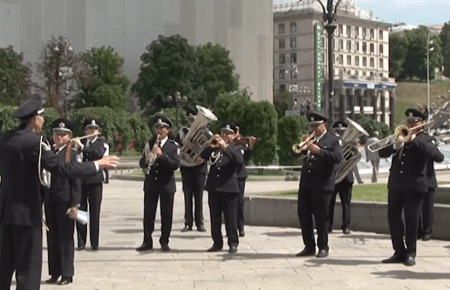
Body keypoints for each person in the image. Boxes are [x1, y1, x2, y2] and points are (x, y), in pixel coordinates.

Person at [0, 94, 117, 290]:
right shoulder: (35, 143)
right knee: (28, 270)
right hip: (27, 214)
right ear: (35, 118)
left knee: (4, 266)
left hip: (5, 213)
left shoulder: (4, 139)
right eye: (42, 116)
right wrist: (96, 165)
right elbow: (63, 169)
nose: (43, 120)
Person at [379, 108, 439, 266]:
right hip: (396, 184)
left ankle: (411, 252)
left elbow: (438, 156)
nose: (411, 124)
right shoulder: (399, 136)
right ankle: (398, 250)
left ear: (422, 124)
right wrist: (395, 144)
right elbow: (382, 153)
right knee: (393, 218)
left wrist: (414, 140)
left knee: (412, 220)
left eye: (414, 122)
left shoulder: (426, 139)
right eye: (409, 121)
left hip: (415, 186)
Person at [295, 112, 342, 258]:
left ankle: (323, 246)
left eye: (316, 125)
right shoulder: (309, 139)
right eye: (311, 126)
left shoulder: (333, 140)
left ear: (324, 125)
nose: (313, 129)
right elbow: (295, 155)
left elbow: (337, 158)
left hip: (322, 185)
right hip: (306, 184)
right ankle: (309, 246)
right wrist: (303, 147)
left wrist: (319, 151)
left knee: (321, 218)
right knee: (304, 216)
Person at [44, 118, 81, 286]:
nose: (59, 137)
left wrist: (75, 204)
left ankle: (67, 273)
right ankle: (55, 271)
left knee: (66, 238)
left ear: (69, 136)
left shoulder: (71, 154)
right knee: (52, 237)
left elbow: (76, 182)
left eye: (63, 135)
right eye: (56, 134)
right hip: (50, 199)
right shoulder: (48, 153)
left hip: (65, 200)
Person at [136, 115, 181, 252]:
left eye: (162, 128)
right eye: (157, 128)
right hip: (151, 184)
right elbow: (142, 163)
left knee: (166, 215)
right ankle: (147, 240)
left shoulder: (173, 146)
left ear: (168, 130)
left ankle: (164, 241)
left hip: (166, 184)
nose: (159, 131)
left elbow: (175, 164)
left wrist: (162, 156)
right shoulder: (149, 143)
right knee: (148, 214)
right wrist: (146, 160)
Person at [200, 121, 243, 253]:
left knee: (230, 217)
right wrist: (212, 144)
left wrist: (226, 147)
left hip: (229, 187)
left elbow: (239, 161)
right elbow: (203, 155)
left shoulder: (236, 147)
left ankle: (233, 242)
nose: (225, 135)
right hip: (214, 187)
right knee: (215, 217)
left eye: (228, 133)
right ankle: (217, 242)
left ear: (234, 136)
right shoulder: (215, 147)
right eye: (223, 132)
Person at [73, 119, 107, 251]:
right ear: (85, 131)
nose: (92, 131)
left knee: (94, 212)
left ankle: (94, 242)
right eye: (90, 129)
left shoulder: (101, 143)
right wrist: (75, 145)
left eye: (95, 129)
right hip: (81, 182)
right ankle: (81, 241)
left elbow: (97, 154)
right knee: (81, 212)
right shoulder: (80, 143)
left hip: (95, 182)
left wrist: (82, 147)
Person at [176, 108, 207, 233]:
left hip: (199, 167)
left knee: (199, 196)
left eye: (194, 120)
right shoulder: (183, 131)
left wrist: (203, 157)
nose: (192, 122)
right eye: (190, 120)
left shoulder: (204, 132)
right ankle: (188, 223)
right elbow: (175, 144)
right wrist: (183, 142)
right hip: (186, 167)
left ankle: (200, 223)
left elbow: (209, 146)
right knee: (187, 195)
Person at [418, 132, 444, 241]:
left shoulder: (429, 141)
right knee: (415, 209)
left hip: (428, 180)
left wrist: (431, 145)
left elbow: (439, 157)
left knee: (427, 208)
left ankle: (426, 232)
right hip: (415, 180)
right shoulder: (408, 141)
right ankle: (419, 231)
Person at [233, 121, 257, 237]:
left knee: (239, 202)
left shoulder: (241, 144)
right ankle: (231, 227)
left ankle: (240, 227)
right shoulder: (226, 143)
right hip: (228, 176)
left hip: (240, 176)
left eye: (235, 132)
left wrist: (250, 146)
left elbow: (245, 156)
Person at [329, 120, 353, 235]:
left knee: (346, 203)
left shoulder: (351, 145)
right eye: (337, 131)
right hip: (332, 176)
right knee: (329, 203)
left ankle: (346, 226)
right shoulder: (330, 144)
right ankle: (328, 225)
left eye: (342, 132)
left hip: (346, 177)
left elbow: (353, 159)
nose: (340, 134)